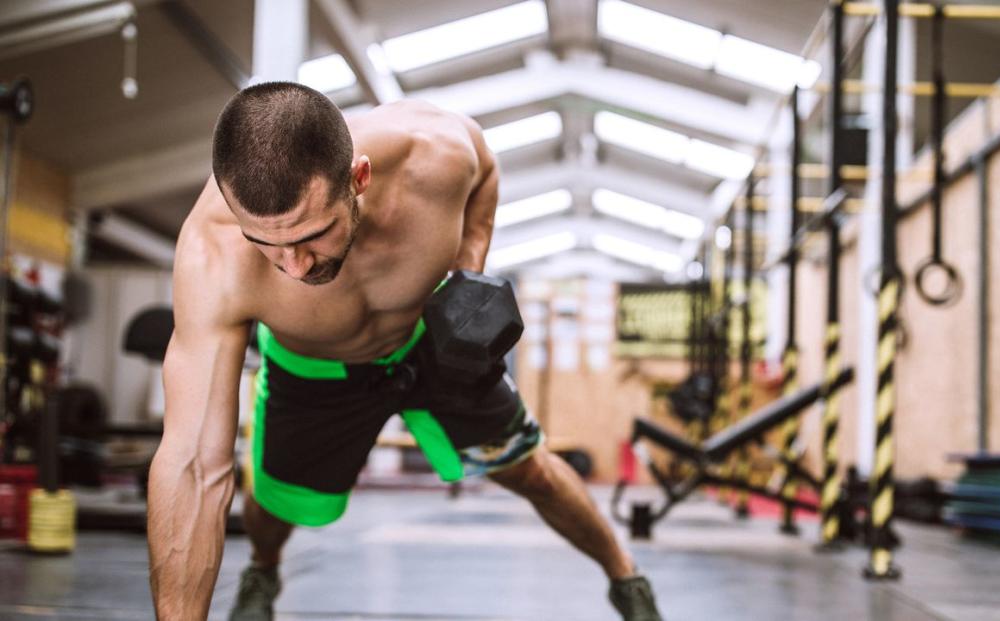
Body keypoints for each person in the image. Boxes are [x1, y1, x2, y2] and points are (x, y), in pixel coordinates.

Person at [146, 81, 662, 621]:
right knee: (276, 504)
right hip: (314, 369)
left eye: (313, 234)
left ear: (358, 178)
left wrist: (467, 272)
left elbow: (485, 167)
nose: (294, 267)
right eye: (266, 244)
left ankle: (627, 578)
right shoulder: (214, 254)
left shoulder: (432, 151)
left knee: (529, 468)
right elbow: (193, 469)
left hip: (428, 344)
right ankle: (264, 568)